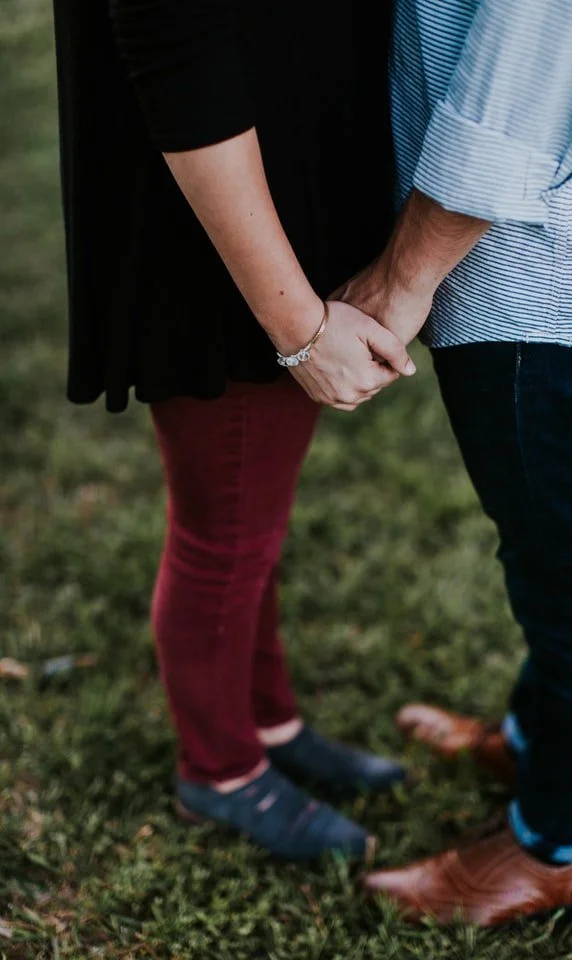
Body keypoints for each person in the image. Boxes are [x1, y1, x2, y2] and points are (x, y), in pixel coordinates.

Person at [51, 0, 413, 863]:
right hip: (220, 229)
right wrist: (299, 329)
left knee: (251, 515)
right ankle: (218, 771)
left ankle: (269, 721)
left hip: (276, 190)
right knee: (225, 532)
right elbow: (175, 45)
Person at [338, 0, 572, 927]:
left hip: (550, 279)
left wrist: (405, 275)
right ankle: (533, 736)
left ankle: (556, 849)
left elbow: (535, 55)